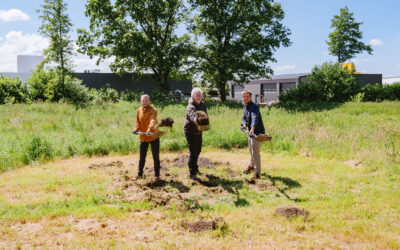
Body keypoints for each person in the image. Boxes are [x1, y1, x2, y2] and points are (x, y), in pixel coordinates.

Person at [134, 94, 160, 180]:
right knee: (142, 157)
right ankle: (139, 174)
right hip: (143, 137)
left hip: (153, 136)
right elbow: (138, 121)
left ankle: (156, 175)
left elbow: (153, 120)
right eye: (143, 101)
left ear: (149, 101)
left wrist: (149, 129)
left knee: (155, 157)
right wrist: (136, 129)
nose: (144, 102)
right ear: (141, 101)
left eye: (146, 101)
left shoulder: (153, 110)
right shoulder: (139, 110)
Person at [184, 87, 208, 181]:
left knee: (198, 150)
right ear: (192, 96)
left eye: (200, 95)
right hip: (190, 131)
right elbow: (193, 116)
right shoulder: (190, 106)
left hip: (199, 131)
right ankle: (192, 173)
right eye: (197, 95)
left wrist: (206, 122)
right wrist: (198, 121)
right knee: (193, 152)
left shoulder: (203, 104)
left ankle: (195, 167)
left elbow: (205, 114)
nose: (199, 97)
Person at [241, 90, 265, 179]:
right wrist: (244, 124)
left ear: (250, 97)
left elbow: (255, 117)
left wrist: (252, 127)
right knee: (251, 151)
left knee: (256, 153)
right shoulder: (245, 106)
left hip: (257, 133)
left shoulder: (254, 107)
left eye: (247, 96)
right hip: (250, 133)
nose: (245, 98)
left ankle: (257, 173)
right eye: (244, 97)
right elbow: (244, 117)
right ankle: (251, 166)